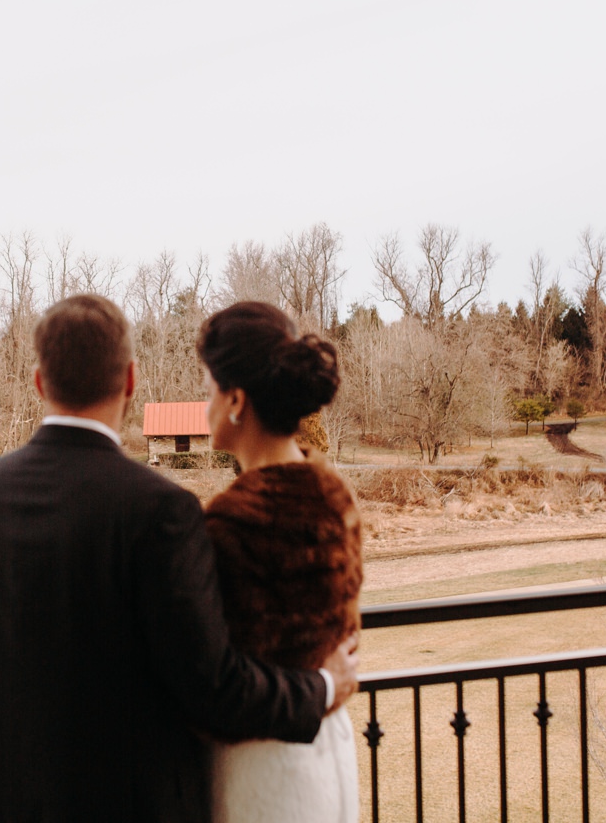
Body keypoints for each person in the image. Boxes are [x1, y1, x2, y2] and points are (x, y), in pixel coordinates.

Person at [0, 294, 360, 822]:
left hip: (9, 802)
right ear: (132, 381)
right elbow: (208, 682)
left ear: (40, 383)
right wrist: (322, 686)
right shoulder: (162, 508)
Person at [197, 302, 364, 823]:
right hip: (332, 747)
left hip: (263, 771)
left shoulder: (231, 522)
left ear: (236, 401)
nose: (204, 403)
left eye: (209, 388)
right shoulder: (336, 494)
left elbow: (215, 681)